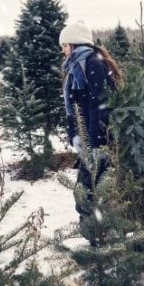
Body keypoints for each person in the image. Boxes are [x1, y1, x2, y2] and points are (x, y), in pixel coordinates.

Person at [60, 21, 124, 214]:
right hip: (88, 144)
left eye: (65, 46)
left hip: (98, 145)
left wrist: (97, 146)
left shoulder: (93, 64)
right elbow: (73, 108)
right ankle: (95, 236)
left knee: (92, 197)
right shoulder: (75, 69)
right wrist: (75, 135)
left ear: (75, 44)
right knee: (85, 196)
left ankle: (99, 238)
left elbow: (101, 107)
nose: (63, 51)